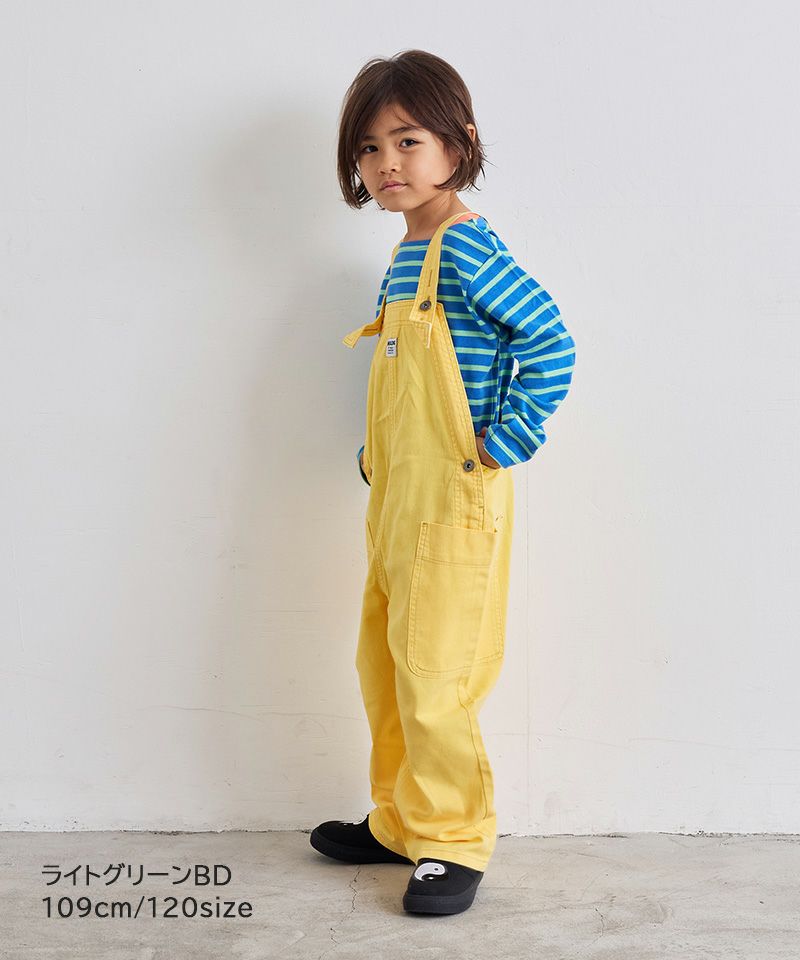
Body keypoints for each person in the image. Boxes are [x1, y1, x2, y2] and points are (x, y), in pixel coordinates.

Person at [310, 49, 576, 916]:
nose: (386, 162)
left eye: (407, 140)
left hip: (453, 501)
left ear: (458, 145)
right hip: (399, 502)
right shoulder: (406, 255)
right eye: (369, 147)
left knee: (436, 674)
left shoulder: (465, 246)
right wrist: (375, 454)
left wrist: (507, 438)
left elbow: (551, 341)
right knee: (386, 665)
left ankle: (454, 841)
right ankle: (399, 821)